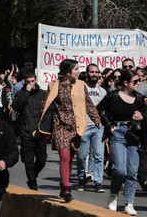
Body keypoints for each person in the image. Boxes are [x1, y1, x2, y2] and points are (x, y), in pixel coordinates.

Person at [38, 59, 101, 203]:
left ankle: (63, 184)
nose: (79, 72)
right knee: (64, 156)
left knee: (71, 158)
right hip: (60, 126)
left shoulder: (80, 85)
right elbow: (46, 106)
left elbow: (88, 103)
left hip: (76, 126)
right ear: (68, 72)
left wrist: (96, 119)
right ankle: (66, 187)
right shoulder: (54, 85)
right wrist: (40, 127)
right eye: (76, 69)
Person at [98, 69, 147, 216]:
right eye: (135, 81)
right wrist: (109, 126)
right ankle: (113, 195)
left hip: (133, 135)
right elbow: (99, 109)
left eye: (139, 81)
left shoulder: (139, 98)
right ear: (125, 83)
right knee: (120, 170)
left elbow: (145, 114)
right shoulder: (113, 96)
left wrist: (142, 117)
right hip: (118, 134)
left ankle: (129, 203)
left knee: (132, 171)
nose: (139, 83)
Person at [11, 70, 47, 190]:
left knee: (42, 159)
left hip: (39, 132)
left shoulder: (42, 93)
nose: (31, 84)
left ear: (36, 80)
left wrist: (43, 129)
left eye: (32, 81)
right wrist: (26, 92)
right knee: (28, 160)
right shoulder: (21, 94)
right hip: (26, 132)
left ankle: (33, 175)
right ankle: (32, 182)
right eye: (28, 82)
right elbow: (17, 106)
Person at [77, 63, 108, 193]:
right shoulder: (80, 88)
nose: (94, 74)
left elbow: (106, 111)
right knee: (82, 156)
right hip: (84, 126)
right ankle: (81, 180)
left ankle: (98, 183)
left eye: (96, 72)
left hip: (98, 127)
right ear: (87, 73)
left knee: (99, 156)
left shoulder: (103, 91)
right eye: (91, 72)